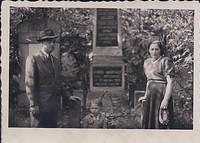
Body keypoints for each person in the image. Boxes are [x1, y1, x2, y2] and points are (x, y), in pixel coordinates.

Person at [25, 29, 61, 128]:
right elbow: (30, 83)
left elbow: (58, 82)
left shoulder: (56, 61)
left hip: (54, 108)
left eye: (53, 41)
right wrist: (33, 104)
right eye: (49, 41)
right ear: (42, 43)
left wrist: (68, 96)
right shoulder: (33, 59)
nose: (52, 44)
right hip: (40, 107)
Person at [138, 40, 175, 129]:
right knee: (149, 123)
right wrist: (146, 96)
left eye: (157, 49)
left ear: (161, 50)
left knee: (161, 122)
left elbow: (170, 82)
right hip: (151, 96)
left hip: (161, 94)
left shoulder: (165, 61)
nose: (154, 52)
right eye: (152, 49)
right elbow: (149, 81)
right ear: (149, 50)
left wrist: (165, 100)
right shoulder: (146, 62)